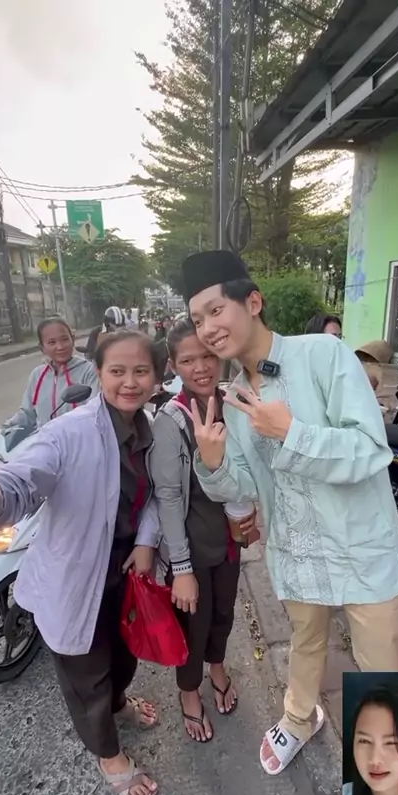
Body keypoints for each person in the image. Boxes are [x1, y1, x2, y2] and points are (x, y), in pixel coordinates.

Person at [180, 249, 398, 776]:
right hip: (296, 552)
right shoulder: (235, 396)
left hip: (361, 550)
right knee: (305, 644)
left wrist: (292, 432)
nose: (207, 328)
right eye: (197, 320)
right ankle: (298, 717)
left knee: (385, 668)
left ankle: (393, 773)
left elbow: (370, 449)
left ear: (253, 302)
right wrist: (213, 464)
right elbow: (247, 484)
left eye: (216, 310)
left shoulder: (324, 355)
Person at [0, 330, 163, 795]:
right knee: (88, 676)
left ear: (156, 377)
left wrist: (146, 541)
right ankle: (109, 756)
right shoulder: (70, 431)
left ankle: (119, 704)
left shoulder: (150, 428)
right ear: (98, 374)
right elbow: (23, 477)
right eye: (117, 371)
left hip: (125, 572)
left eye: (140, 371)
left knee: (123, 656)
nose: (129, 382)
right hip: (76, 578)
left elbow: (157, 496)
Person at [150, 318, 255, 743]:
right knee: (193, 626)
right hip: (191, 549)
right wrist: (181, 569)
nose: (201, 367)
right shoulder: (171, 420)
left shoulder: (234, 404)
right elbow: (168, 497)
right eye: (188, 360)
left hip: (229, 542)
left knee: (223, 615)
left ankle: (218, 668)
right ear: (173, 365)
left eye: (208, 356)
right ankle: (189, 691)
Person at [2, 318, 99, 432]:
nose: (60, 347)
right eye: (52, 342)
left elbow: (95, 411)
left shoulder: (89, 371)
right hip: (45, 440)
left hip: (78, 439)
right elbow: (27, 415)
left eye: (65, 339)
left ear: (72, 339)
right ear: (42, 348)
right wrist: (3, 428)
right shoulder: (37, 375)